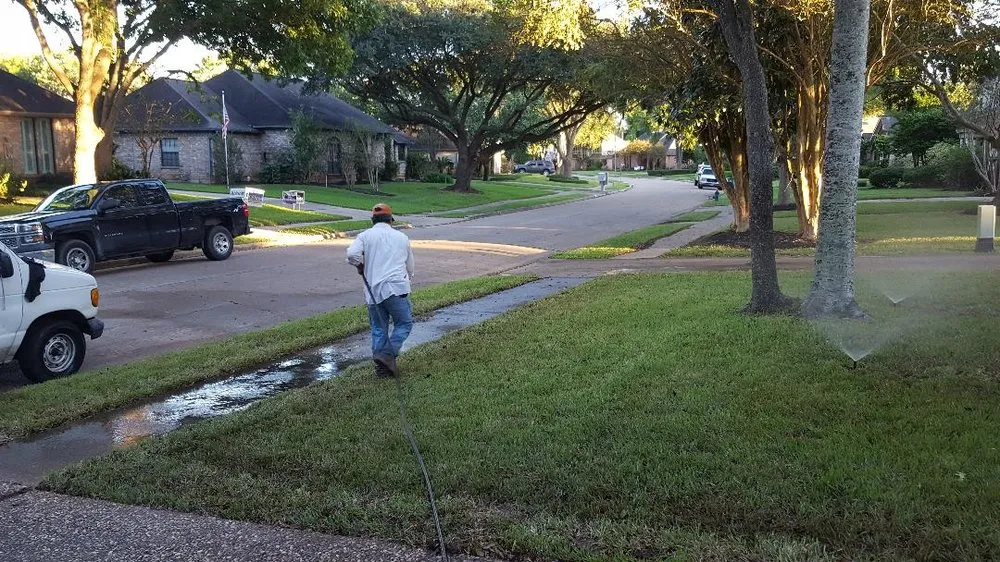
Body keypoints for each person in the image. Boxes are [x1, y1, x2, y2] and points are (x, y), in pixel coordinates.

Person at [346, 203, 415, 378]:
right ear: (390, 220)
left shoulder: (365, 236)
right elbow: (410, 267)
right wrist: (408, 277)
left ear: (373, 220)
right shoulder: (401, 237)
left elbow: (351, 255)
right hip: (396, 288)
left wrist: (360, 265)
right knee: (404, 323)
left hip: (373, 290)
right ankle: (386, 355)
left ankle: (381, 368)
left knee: (379, 328)